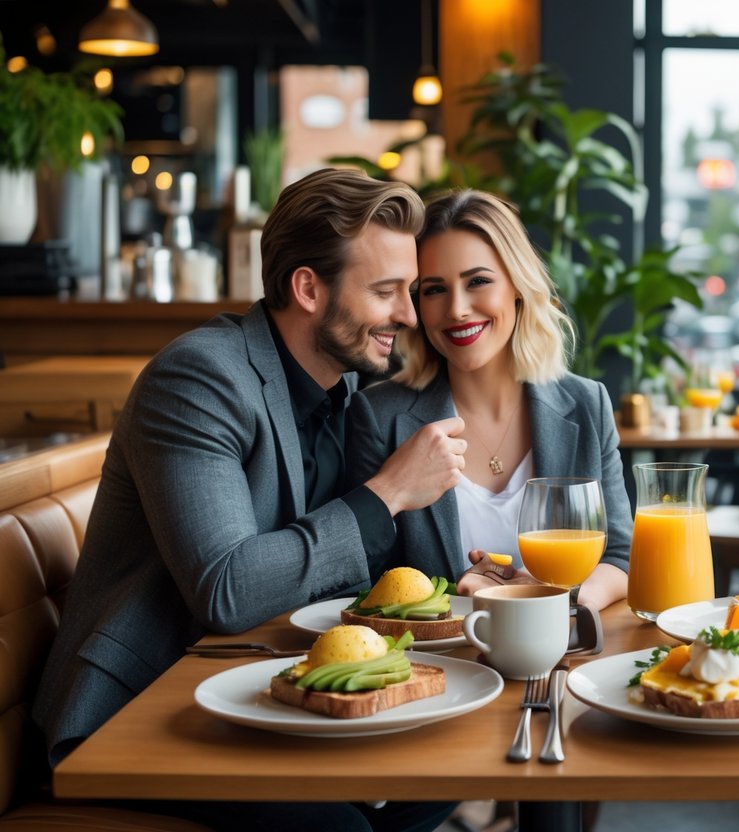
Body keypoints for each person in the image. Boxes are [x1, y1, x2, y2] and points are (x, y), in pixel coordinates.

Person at [33, 168, 466, 832]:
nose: (408, 316)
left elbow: (348, 570)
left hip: (256, 686)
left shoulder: (344, 395)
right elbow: (226, 589)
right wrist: (389, 492)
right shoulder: (200, 378)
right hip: (136, 711)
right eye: (386, 292)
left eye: (408, 292)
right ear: (308, 288)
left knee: (444, 772)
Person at [347, 189, 630, 610]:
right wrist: (454, 597)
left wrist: (549, 599)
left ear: (517, 284)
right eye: (434, 290)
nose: (457, 309)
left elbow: (620, 556)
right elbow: (363, 581)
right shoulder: (380, 417)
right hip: (443, 664)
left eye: (478, 281)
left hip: (570, 654)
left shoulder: (587, 403)